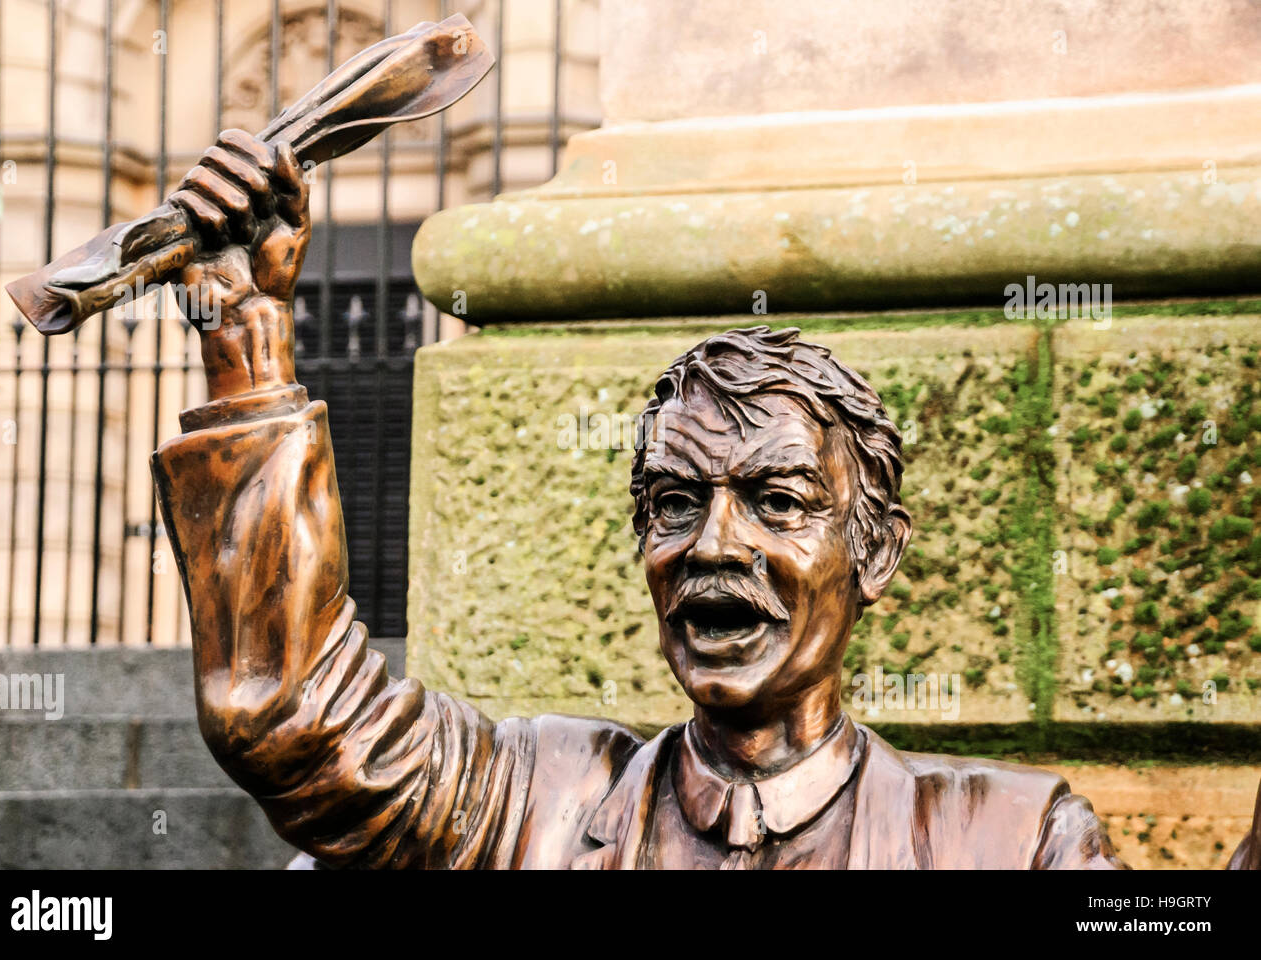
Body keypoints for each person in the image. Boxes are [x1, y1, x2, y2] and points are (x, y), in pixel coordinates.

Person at [151, 130, 1252, 869]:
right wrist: (247, 352)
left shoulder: (1008, 842)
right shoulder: (530, 800)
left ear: (874, 552)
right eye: (674, 504)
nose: (712, 543)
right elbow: (292, 721)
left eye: (776, 501)